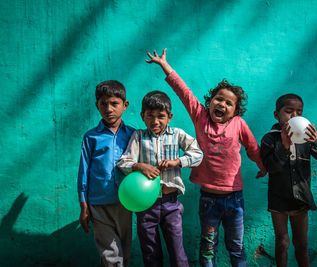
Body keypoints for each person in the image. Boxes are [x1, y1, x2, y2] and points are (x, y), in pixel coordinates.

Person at [146, 48, 266, 267]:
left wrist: (262, 166)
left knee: (236, 246)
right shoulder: (201, 117)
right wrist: (165, 65)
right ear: (210, 101)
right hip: (208, 199)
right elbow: (183, 92)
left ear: (236, 111)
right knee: (208, 247)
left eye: (229, 103)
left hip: (235, 200)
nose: (222, 104)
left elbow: (252, 147)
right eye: (219, 99)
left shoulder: (238, 124)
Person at [117, 90, 203, 267]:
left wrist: (177, 162)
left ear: (169, 117)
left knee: (177, 251)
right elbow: (123, 161)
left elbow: (198, 154)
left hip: (171, 204)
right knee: (150, 252)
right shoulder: (139, 137)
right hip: (145, 206)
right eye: (150, 115)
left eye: (160, 116)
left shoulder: (177, 134)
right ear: (142, 116)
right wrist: (139, 166)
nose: (155, 121)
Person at [260, 93, 317, 267]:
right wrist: (284, 146)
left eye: (299, 112)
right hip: (278, 200)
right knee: (282, 242)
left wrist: (315, 142)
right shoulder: (269, 139)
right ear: (277, 115)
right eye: (289, 111)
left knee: (301, 244)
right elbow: (271, 167)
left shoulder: (306, 138)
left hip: (301, 199)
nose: (294, 116)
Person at [77, 80, 135, 266]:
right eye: (103, 104)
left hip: (126, 202)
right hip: (98, 203)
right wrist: (84, 205)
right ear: (97, 106)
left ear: (125, 105)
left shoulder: (134, 135)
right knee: (110, 255)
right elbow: (83, 171)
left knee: (124, 252)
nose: (109, 109)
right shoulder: (91, 137)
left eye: (114, 103)